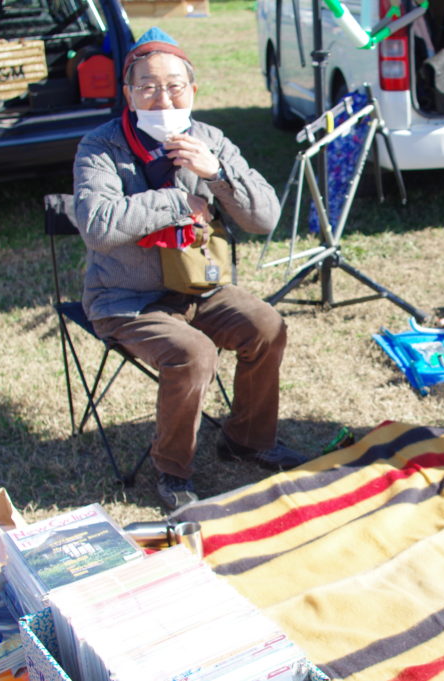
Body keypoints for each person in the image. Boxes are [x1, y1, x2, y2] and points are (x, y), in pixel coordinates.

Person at [72, 27, 307, 509]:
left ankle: (247, 439)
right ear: (128, 94)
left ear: (193, 90)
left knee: (267, 325)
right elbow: (98, 226)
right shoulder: (100, 147)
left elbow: (264, 218)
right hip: (127, 299)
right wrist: (178, 201)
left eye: (175, 86)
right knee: (194, 352)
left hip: (201, 287)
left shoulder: (209, 139)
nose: (163, 98)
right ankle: (173, 472)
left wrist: (216, 175)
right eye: (148, 87)